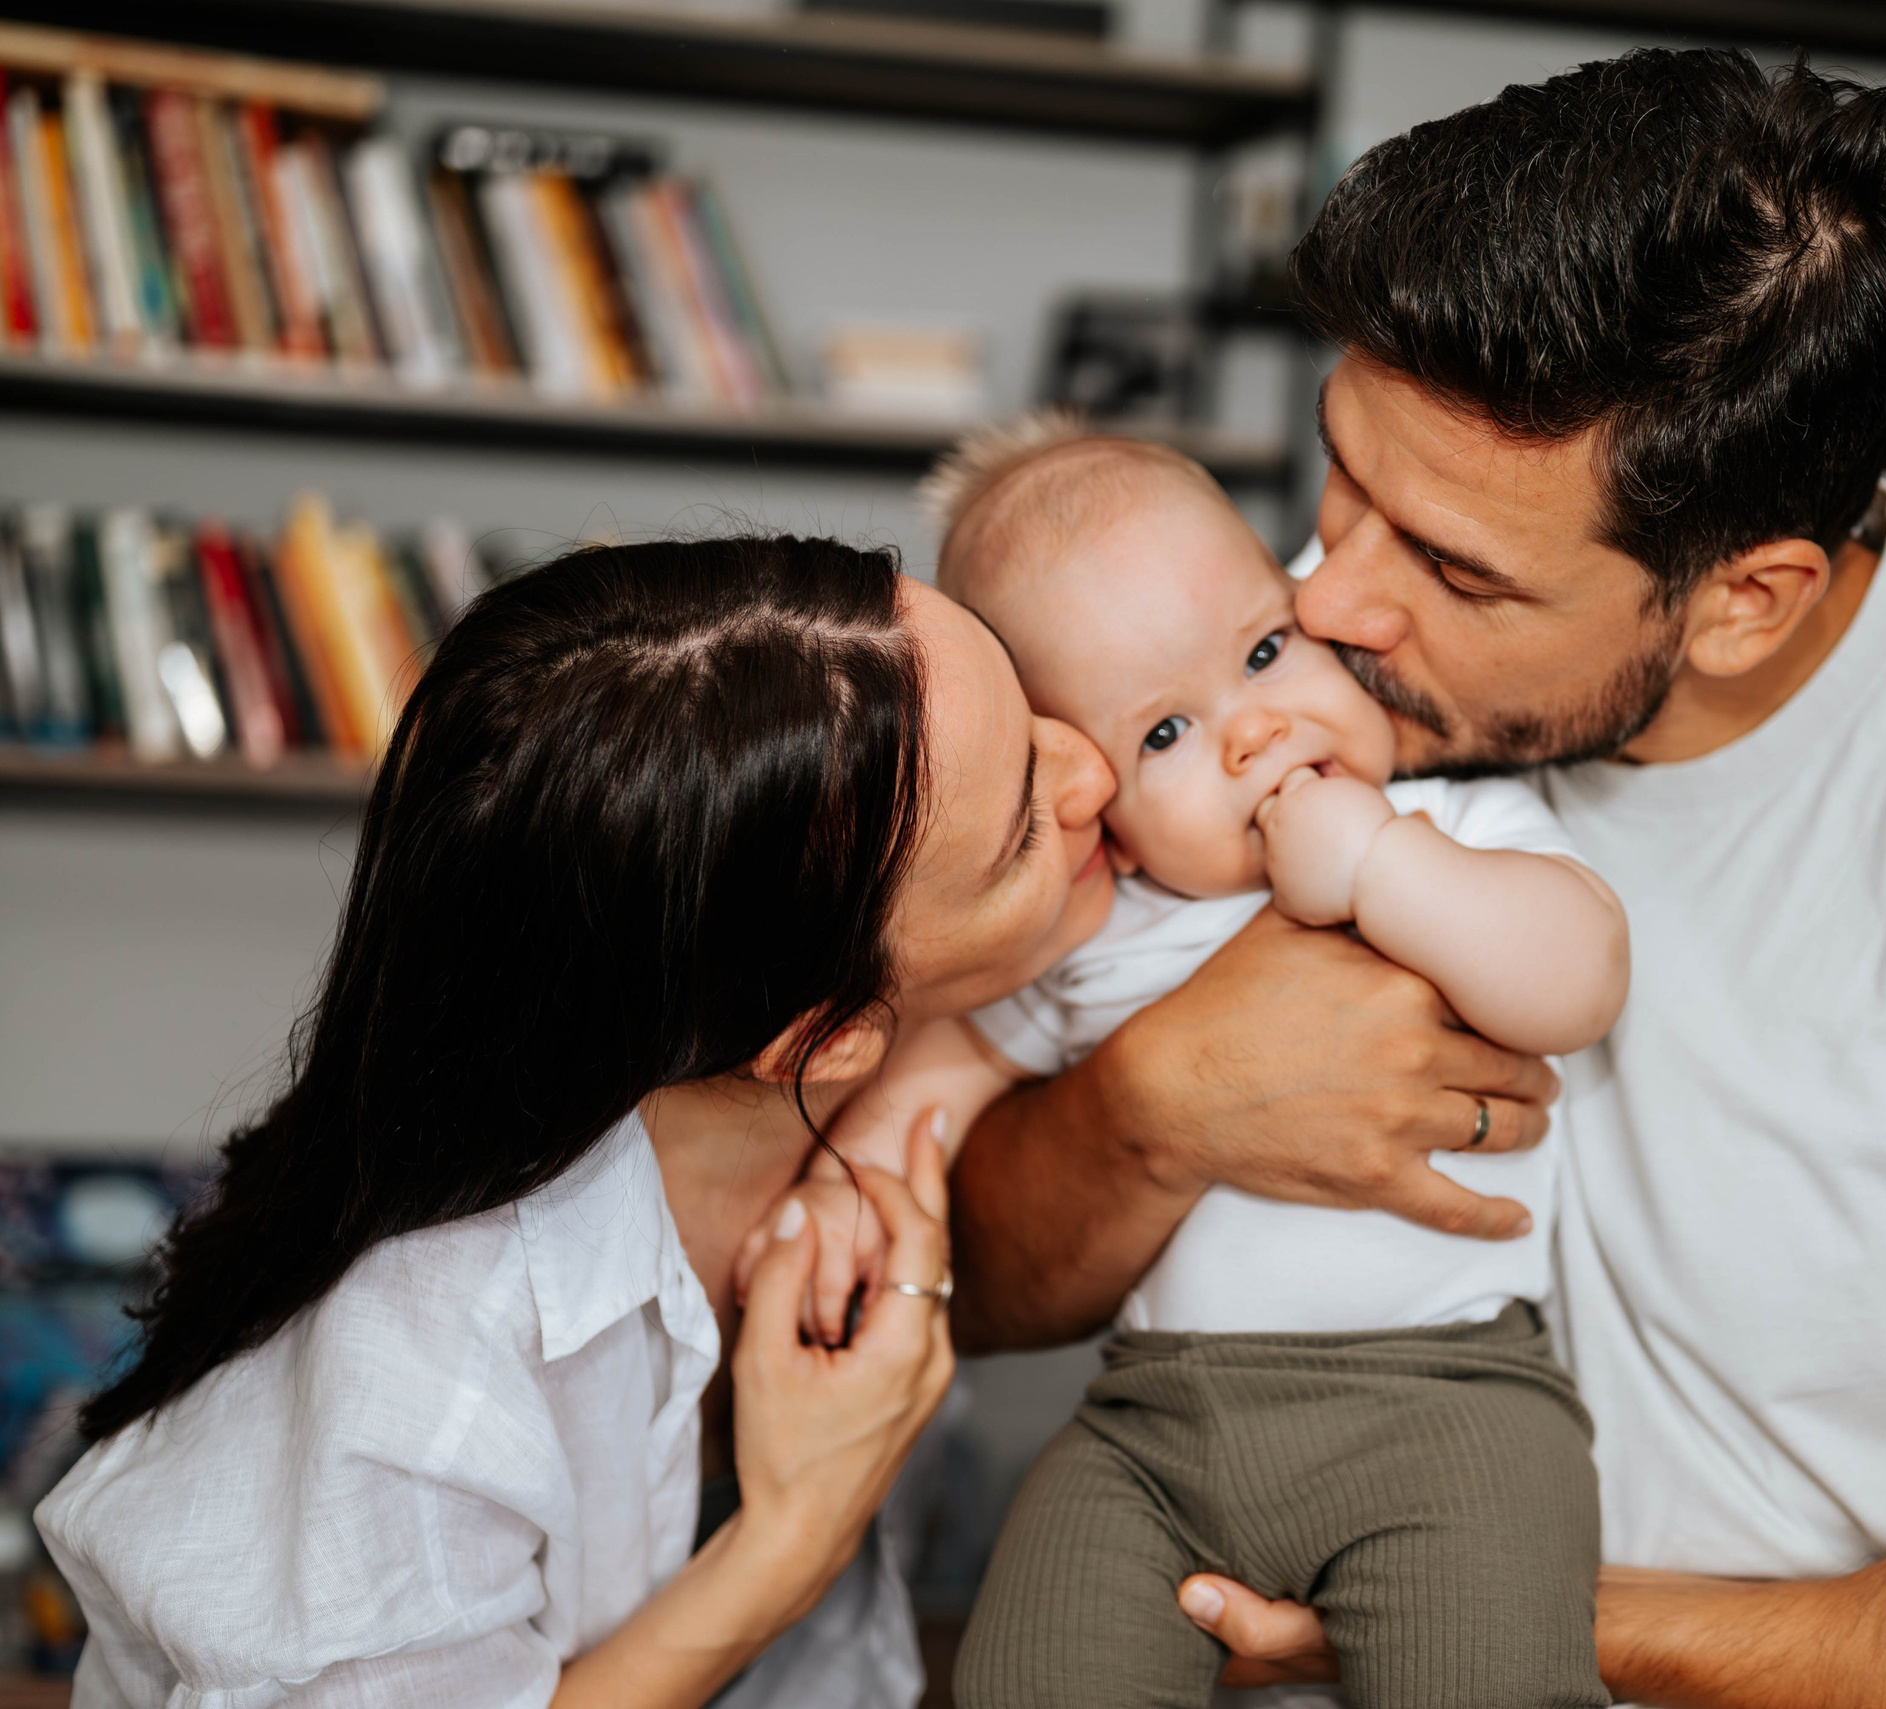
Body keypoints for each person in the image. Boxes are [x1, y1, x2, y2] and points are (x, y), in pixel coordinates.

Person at [948, 48, 1886, 1709]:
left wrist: (1488, 1605)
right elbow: (960, 1285)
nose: (1326, 598)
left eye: (1455, 567)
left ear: (1741, 602)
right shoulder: (1275, 679)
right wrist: (1153, 1106)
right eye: (1343, 472)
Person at [36, 536, 1119, 1708]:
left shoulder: (847, 1054)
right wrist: (793, 1536)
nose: (1096, 770)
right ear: (824, 1035)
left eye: (1033, 704)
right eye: (1022, 828)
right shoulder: (417, 1360)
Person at [826, 418, 1626, 1707]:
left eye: (1263, 650)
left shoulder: (1453, 823)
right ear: (1092, 797)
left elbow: (1577, 977)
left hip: (1451, 1401)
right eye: (1164, 733)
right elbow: (940, 1073)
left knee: (1485, 1678)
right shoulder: (1105, 924)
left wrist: (1375, 861)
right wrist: (844, 1177)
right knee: (1026, 1673)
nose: (1254, 731)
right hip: (1155, 1427)